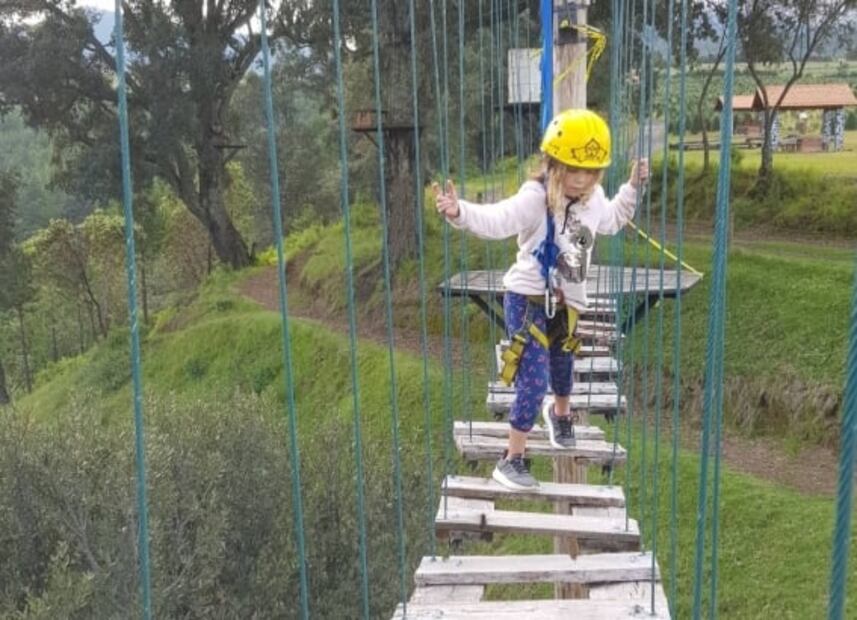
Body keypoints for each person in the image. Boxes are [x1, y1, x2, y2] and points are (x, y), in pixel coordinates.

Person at [434, 109, 649, 490]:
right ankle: (511, 460)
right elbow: (497, 219)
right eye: (571, 169)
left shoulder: (594, 198)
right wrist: (459, 211)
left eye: (589, 172)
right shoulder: (535, 197)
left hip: (568, 302)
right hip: (527, 299)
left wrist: (632, 187)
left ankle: (560, 415)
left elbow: (613, 220)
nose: (580, 179)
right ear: (553, 163)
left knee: (564, 366)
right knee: (534, 380)